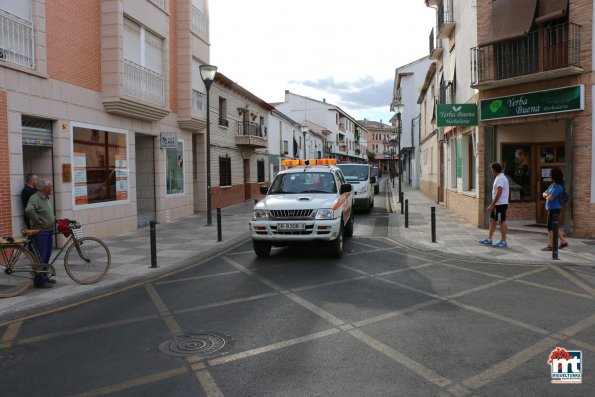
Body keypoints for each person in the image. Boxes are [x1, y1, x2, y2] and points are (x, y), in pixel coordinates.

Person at [25, 178, 56, 288]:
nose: (52, 188)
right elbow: (29, 210)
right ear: (44, 188)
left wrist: (54, 219)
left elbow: (46, 213)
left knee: (46, 257)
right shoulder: (35, 198)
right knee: (41, 257)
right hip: (40, 233)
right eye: (50, 187)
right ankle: (39, 282)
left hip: (47, 231)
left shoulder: (45, 198)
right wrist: (37, 220)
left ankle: (44, 277)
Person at [479, 162, 510, 248]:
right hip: (498, 204)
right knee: (492, 220)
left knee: (501, 221)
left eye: (491, 170)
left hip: (500, 204)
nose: (491, 172)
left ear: (494, 170)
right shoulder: (500, 177)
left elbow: (499, 192)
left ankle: (503, 241)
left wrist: (492, 204)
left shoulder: (500, 178)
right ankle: (489, 239)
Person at [541, 168, 568, 251]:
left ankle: (551, 245)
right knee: (554, 227)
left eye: (551, 174)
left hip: (555, 209)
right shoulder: (553, 185)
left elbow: (551, 198)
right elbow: (544, 193)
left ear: (554, 176)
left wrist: (547, 196)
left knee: (550, 227)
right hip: (551, 209)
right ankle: (563, 242)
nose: (550, 175)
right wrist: (547, 195)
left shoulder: (558, 187)